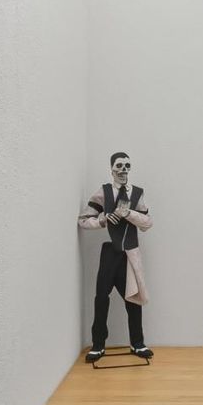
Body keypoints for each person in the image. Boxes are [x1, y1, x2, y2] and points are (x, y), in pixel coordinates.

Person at [78, 152, 153, 362]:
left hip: (130, 253)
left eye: (127, 166)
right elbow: (83, 220)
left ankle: (137, 343)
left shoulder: (137, 194)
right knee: (101, 298)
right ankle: (98, 344)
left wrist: (128, 213)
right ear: (112, 169)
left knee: (134, 299)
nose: (123, 170)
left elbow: (147, 223)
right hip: (110, 252)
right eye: (119, 166)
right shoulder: (103, 192)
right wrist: (102, 220)